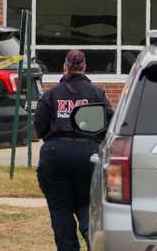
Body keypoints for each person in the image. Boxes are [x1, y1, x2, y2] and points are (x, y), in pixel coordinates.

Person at [34, 50, 111, 251]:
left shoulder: (51, 95)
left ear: (65, 67)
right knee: (89, 205)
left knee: (61, 210)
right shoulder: (97, 94)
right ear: (84, 67)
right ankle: (91, 236)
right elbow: (109, 126)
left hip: (56, 156)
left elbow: (39, 128)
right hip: (89, 156)